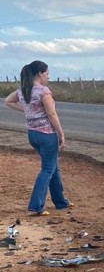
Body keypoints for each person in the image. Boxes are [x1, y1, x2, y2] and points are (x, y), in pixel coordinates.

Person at [4, 60, 72, 216]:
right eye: (47, 73)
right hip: (47, 135)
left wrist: (28, 111)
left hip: (33, 134)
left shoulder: (23, 90)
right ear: (40, 73)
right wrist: (61, 133)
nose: (48, 76)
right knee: (48, 169)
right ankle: (36, 205)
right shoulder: (43, 91)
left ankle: (60, 202)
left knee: (53, 166)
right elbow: (51, 114)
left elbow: (8, 100)